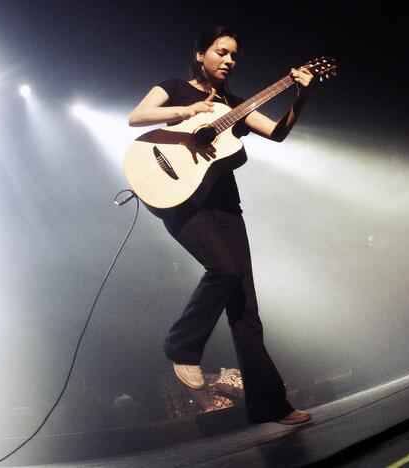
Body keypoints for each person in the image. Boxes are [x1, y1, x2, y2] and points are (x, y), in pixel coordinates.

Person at [128, 26, 312, 424]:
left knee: (246, 307)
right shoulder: (173, 87)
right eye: (222, 52)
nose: (229, 60)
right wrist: (187, 111)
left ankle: (269, 406)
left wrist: (302, 95)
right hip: (181, 200)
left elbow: (277, 134)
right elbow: (137, 116)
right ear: (200, 54)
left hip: (226, 206)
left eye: (234, 57)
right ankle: (182, 345)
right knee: (224, 269)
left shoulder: (237, 106)